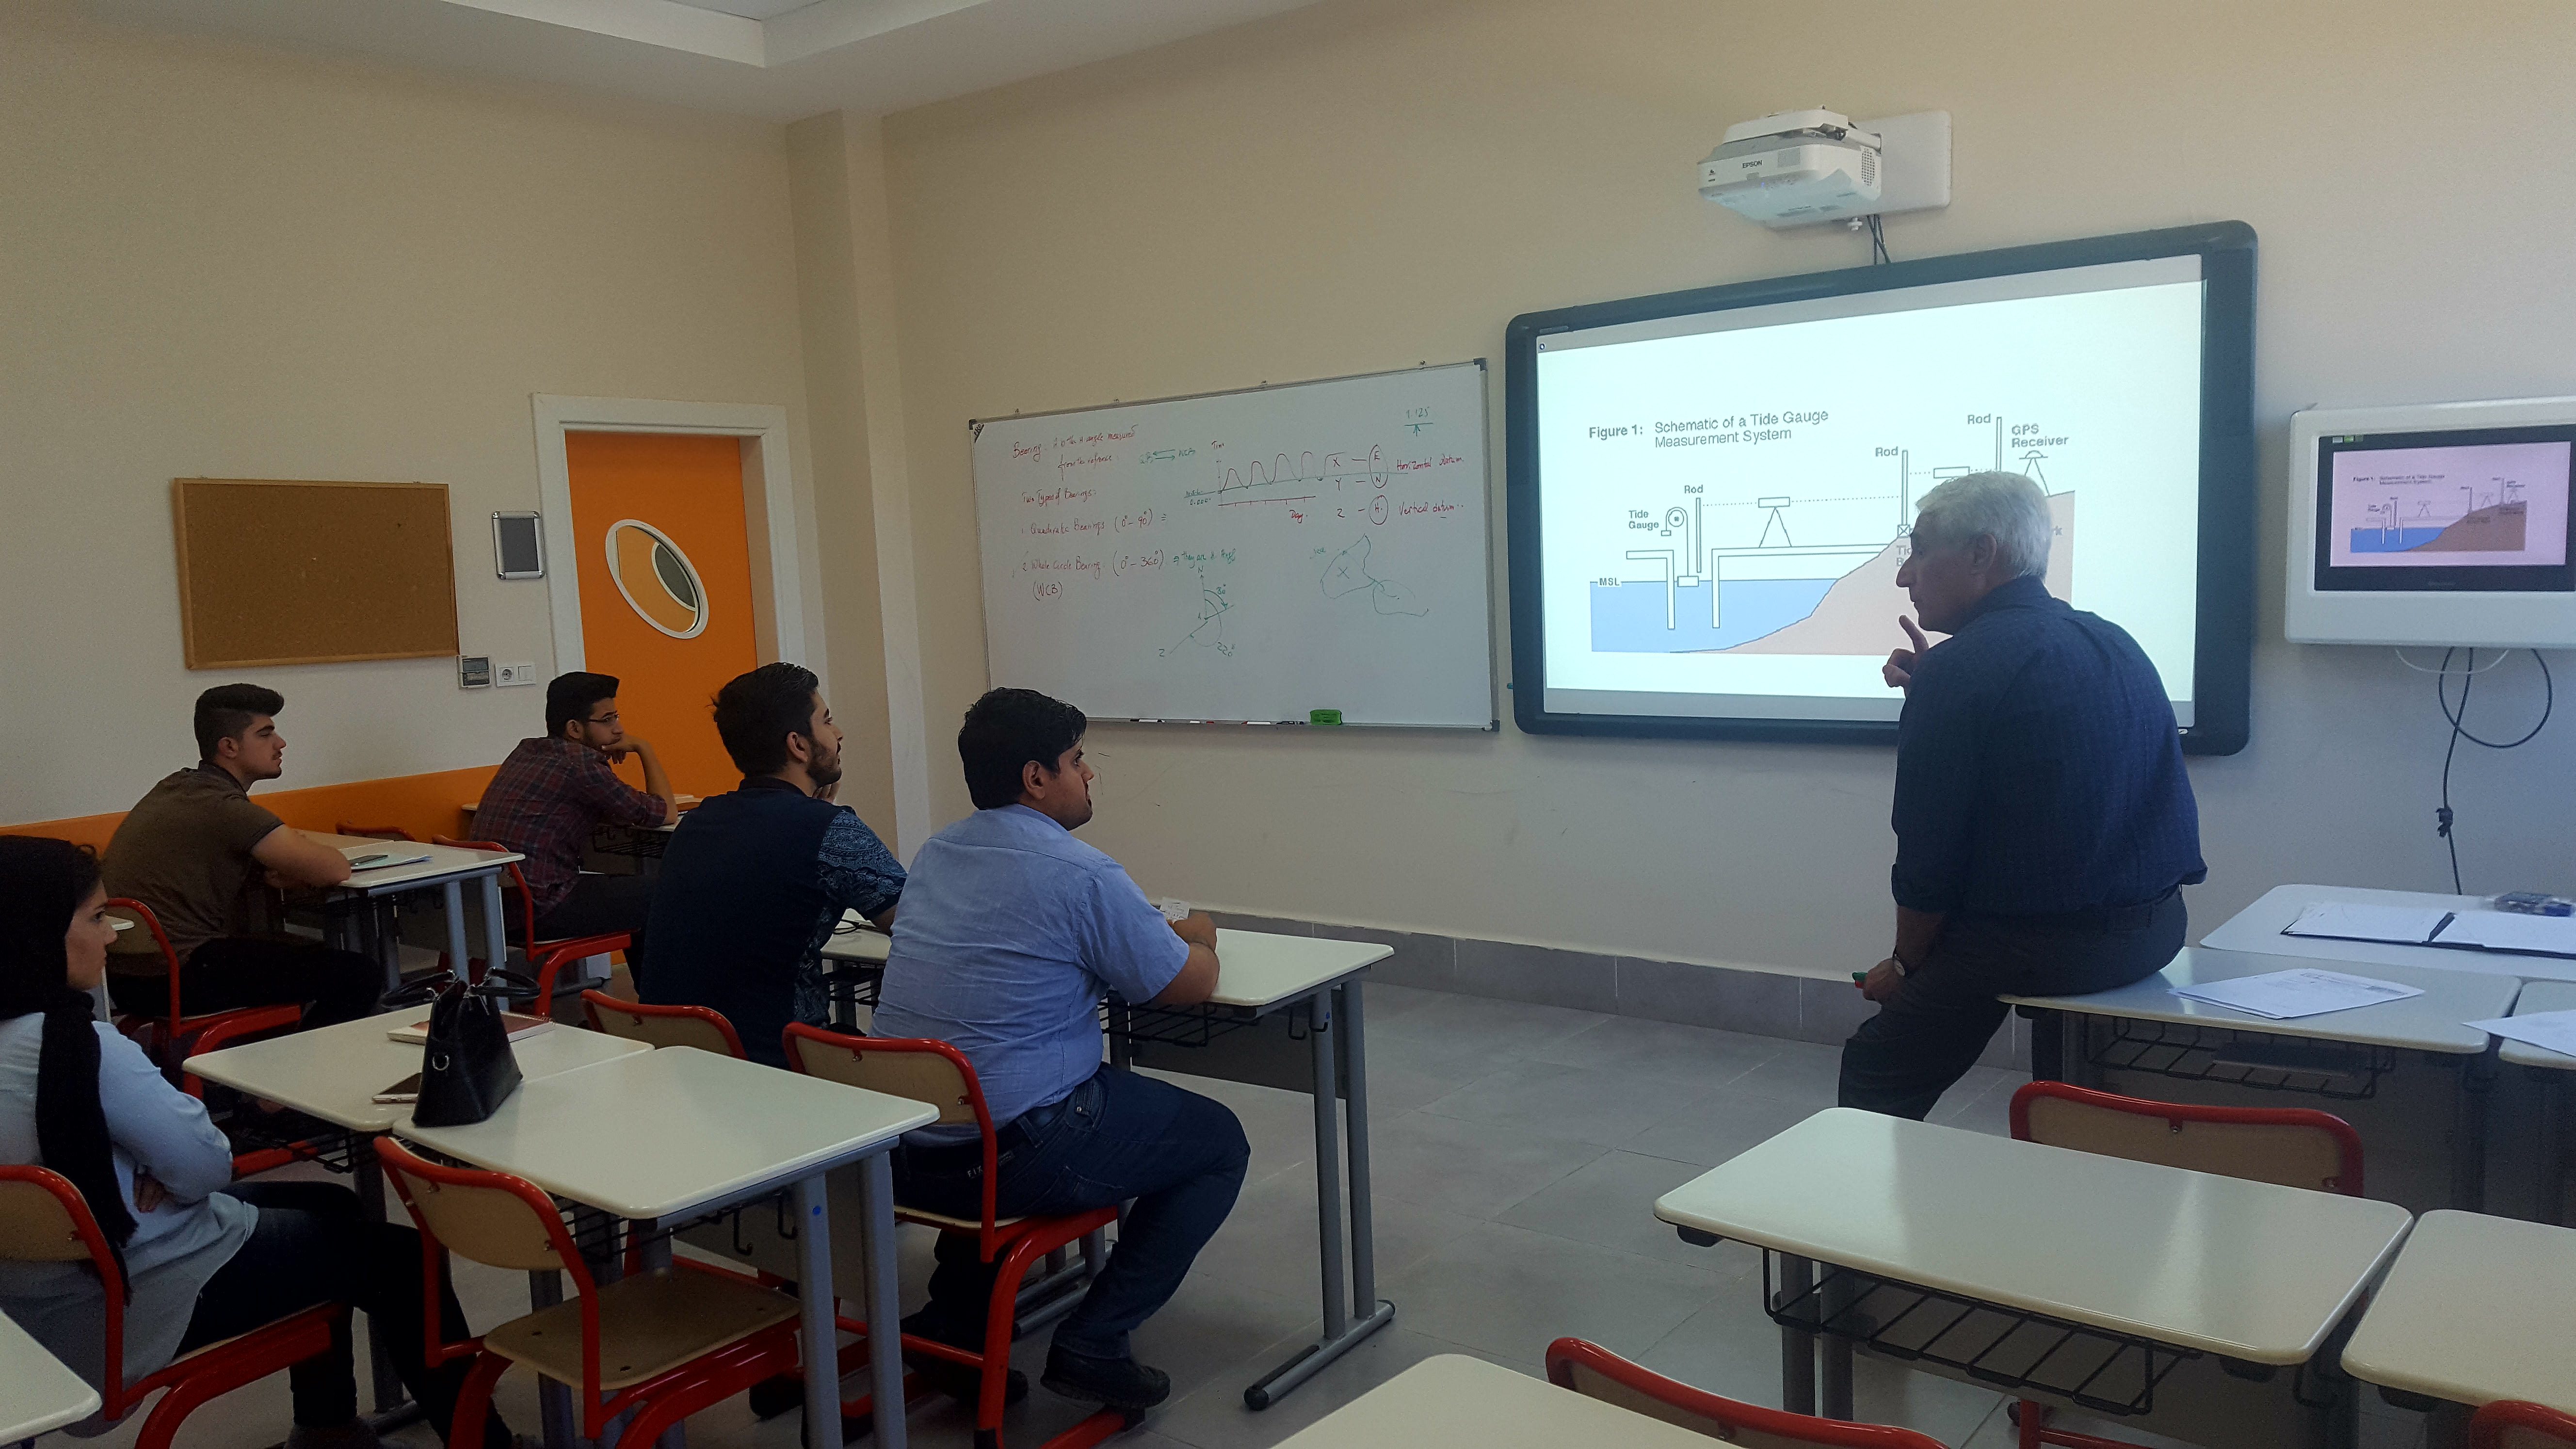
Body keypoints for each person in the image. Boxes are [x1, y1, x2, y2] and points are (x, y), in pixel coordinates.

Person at [0, 836, 510, 1448]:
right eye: (97, 918)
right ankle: (481, 1441)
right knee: (403, 1259)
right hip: (141, 1289)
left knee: (334, 1206)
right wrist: (159, 1163)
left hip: (29, 1299)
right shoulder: (84, 1050)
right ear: (34, 935)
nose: (112, 935)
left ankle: (328, 1429)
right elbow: (207, 1166)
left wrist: (150, 1164)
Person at [873, 688, 1246, 1415]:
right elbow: (1185, 984)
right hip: (1012, 1158)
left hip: (904, 1151)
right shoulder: (1082, 873)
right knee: (1218, 1142)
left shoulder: (936, 853)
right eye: (1077, 760)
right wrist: (1199, 934)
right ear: (1036, 777)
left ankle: (953, 1322)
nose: (1089, 773)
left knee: (993, 1094)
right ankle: (1095, 1341)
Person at [1841, 471, 2206, 1119]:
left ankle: (1871, 1188)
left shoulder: (1960, 670)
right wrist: (1933, 692)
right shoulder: (2113, 640)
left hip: (2039, 950)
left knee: (1875, 1065)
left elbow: (1928, 857)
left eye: (1918, 552)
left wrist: (1903, 966)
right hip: (2157, 931)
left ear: (1981, 554)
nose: (1903, 577)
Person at [640, 663, 903, 1066]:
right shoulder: (830, 830)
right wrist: (820, 817)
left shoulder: (697, 824)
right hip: (777, 1067)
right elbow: (917, 926)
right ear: (798, 745)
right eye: (826, 721)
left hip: (681, 1062)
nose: (838, 734)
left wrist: (813, 812)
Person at [101, 684, 380, 1030]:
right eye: (265, 734)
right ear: (229, 747)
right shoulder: (224, 806)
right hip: (173, 977)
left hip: (125, 976)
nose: (280, 743)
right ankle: (300, 1063)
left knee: (292, 954)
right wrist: (295, 864)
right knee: (358, 974)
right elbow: (334, 869)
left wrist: (280, 869)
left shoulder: (178, 788)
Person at [470, 672, 673, 966]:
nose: (619, 730)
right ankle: (660, 993)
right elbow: (663, 812)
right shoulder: (582, 764)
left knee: (633, 894)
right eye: (607, 720)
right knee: (662, 893)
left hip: (492, 906)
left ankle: (653, 989)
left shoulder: (526, 751)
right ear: (575, 729)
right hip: (540, 908)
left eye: (616, 717)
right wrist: (645, 749)